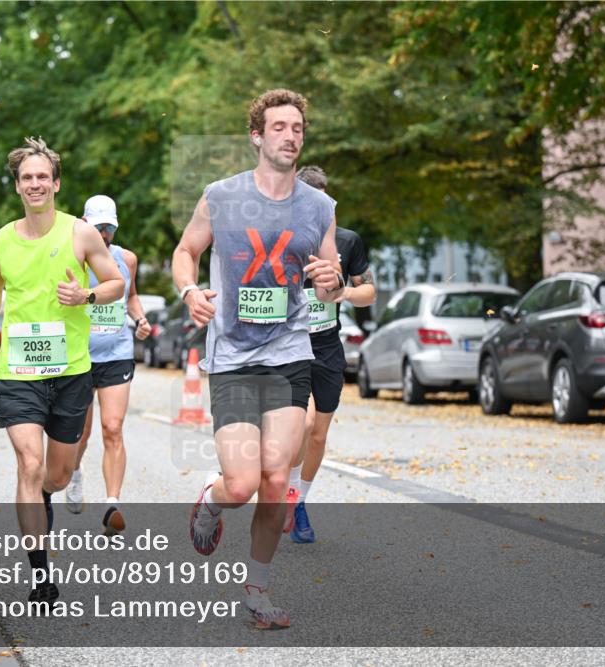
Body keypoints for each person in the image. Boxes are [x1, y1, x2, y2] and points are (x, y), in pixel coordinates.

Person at [171, 89, 343, 629]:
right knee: (242, 483)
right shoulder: (221, 196)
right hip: (234, 357)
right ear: (257, 136)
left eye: (298, 127)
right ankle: (211, 501)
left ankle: (258, 591)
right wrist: (189, 291)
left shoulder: (320, 207)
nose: (290, 135)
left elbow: (332, 282)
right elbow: (185, 252)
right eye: (280, 126)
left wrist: (330, 280)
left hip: (290, 354)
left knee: (275, 481)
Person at [0, 137, 124, 607]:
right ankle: (41, 575)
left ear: (55, 184)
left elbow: (116, 283)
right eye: (27, 178)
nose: (35, 184)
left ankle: (44, 495)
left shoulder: (80, 233)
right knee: (29, 461)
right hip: (18, 370)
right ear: (18, 187)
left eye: (43, 176)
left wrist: (87, 296)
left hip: (72, 371)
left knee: (56, 476)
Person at [284, 166, 376, 543]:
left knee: (318, 434)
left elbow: (368, 291)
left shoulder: (348, 242)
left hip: (326, 346)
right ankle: (286, 495)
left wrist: (343, 295)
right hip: (290, 346)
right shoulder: (282, 240)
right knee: (302, 425)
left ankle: (299, 501)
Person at [65, 195, 152, 535]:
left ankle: (112, 502)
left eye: (109, 228)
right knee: (81, 433)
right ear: (83, 223)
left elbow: (130, 297)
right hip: (81, 356)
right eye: (97, 227)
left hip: (117, 352)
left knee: (112, 428)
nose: (104, 234)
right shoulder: (72, 258)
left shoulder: (126, 259)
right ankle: (74, 472)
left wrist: (141, 319)